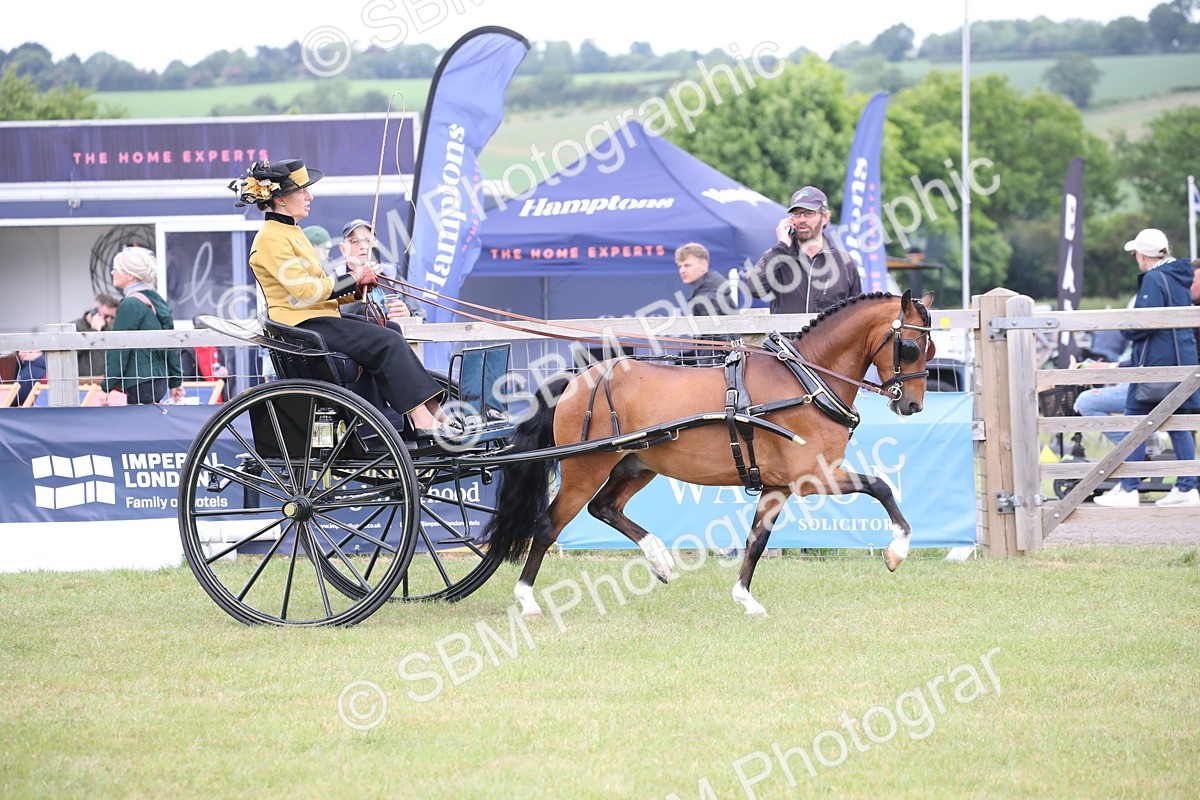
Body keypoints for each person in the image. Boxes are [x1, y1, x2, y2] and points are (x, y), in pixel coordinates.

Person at [228, 159, 453, 435]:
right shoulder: (270, 238)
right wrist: (353, 278)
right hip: (303, 328)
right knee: (387, 340)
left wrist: (358, 288)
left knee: (391, 328)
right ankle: (422, 420)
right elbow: (305, 291)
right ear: (283, 198)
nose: (310, 196)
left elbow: (321, 287)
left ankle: (433, 412)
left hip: (317, 318)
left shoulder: (290, 232)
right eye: (303, 191)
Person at [1094, 229, 1200, 507]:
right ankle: (1187, 488)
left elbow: (1144, 323)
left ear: (1141, 255)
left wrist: (1126, 330)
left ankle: (1129, 488)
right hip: (1181, 360)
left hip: (1156, 364)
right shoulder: (1179, 275)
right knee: (1178, 424)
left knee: (1133, 420)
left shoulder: (1153, 277)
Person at [743, 185, 862, 317]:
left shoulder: (844, 262)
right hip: (786, 338)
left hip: (829, 338)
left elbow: (856, 315)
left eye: (809, 213)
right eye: (796, 214)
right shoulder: (779, 256)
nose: (801, 219)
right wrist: (781, 247)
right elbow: (753, 289)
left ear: (825, 217)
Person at [98, 248, 185, 405]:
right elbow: (172, 344)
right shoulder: (155, 300)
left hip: (139, 381)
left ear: (130, 275)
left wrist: (106, 387)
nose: (112, 272)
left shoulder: (131, 304)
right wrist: (175, 381)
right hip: (158, 380)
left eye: (116, 268)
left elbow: (119, 349)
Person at [334, 219, 426, 322]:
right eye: (355, 241)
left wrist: (408, 316)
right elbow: (332, 319)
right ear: (343, 249)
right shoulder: (334, 281)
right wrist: (358, 286)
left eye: (368, 240)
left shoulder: (393, 276)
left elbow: (422, 319)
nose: (363, 246)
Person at [675, 242, 736, 366]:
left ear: (703, 264)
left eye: (687, 265)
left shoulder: (708, 295)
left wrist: (708, 368)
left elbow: (717, 340)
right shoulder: (709, 289)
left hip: (716, 368)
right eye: (680, 266)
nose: (682, 271)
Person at [72, 292, 121, 378]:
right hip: (82, 381)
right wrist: (93, 331)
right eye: (106, 316)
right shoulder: (74, 327)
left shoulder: (109, 330)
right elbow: (71, 352)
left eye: (112, 317)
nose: (108, 320)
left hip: (104, 380)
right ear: (95, 310)